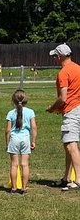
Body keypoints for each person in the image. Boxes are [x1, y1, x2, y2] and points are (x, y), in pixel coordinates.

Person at [46, 43, 80, 191]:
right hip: (77, 107)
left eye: (55, 56)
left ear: (60, 57)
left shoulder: (63, 72)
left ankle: (78, 180)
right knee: (68, 146)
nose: (55, 59)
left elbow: (63, 98)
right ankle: (67, 178)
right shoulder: (78, 68)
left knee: (71, 145)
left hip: (71, 110)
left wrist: (52, 108)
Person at [5, 89, 37, 194]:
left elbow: (8, 130)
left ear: (13, 101)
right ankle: (24, 188)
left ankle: (14, 188)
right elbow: (34, 127)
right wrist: (34, 141)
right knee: (25, 164)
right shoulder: (30, 112)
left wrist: (7, 142)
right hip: (25, 138)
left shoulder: (10, 113)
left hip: (14, 139)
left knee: (14, 164)